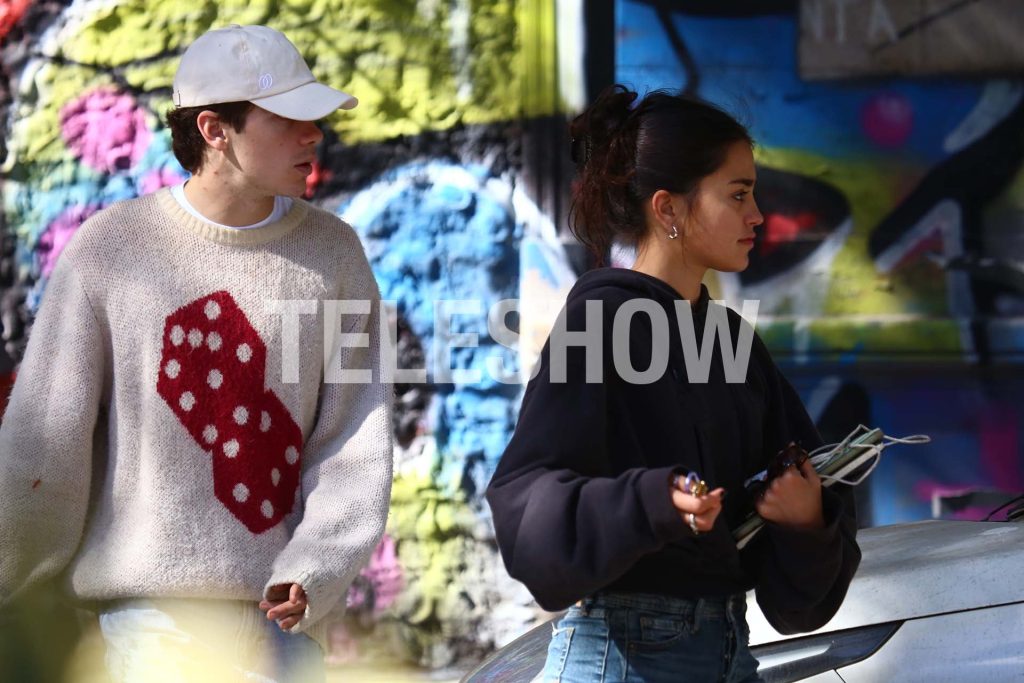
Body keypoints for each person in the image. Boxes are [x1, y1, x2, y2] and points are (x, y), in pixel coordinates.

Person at [0, 24, 393, 682]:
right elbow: (45, 445)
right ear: (215, 130)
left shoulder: (336, 256)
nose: (314, 134)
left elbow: (354, 442)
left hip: (283, 632)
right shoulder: (112, 251)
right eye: (290, 118)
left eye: (315, 118)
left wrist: (314, 572)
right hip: (148, 632)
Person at [486, 86, 861, 683]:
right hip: (621, 662)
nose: (758, 215)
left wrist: (807, 521)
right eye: (738, 194)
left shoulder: (732, 341)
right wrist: (652, 501)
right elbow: (525, 508)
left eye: (753, 193)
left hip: (732, 656)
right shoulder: (600, 324)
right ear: (668, 210)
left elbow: (799, 606)